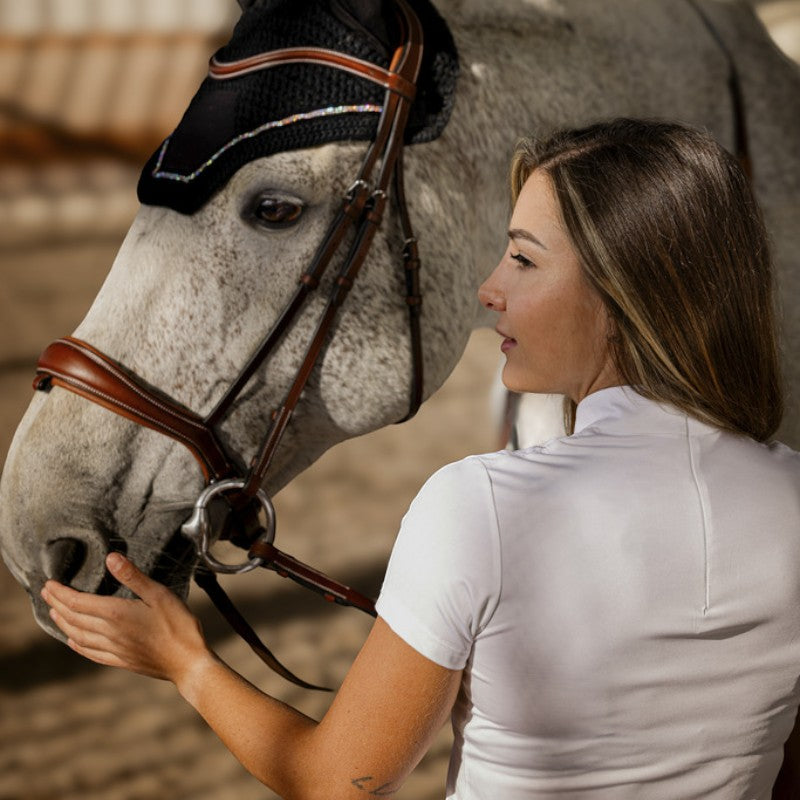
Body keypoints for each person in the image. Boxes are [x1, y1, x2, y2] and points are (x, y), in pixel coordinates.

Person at [41, 118, 800, 799]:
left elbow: (338, 782)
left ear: (622, 293)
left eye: (524, 262)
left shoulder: (482, 506)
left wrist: (185, 661)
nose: (489, 289)